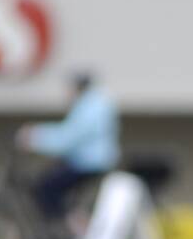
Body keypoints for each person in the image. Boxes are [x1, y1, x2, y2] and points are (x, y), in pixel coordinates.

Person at [18, 70, 118, 228]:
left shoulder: (90, 106)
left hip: (88, 163)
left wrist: (34, 137)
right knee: (53, 184)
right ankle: (72, 224)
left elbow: (69, 137)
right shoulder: (95, 103)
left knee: (46, 189)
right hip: (88, 161)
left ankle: (76, 228)